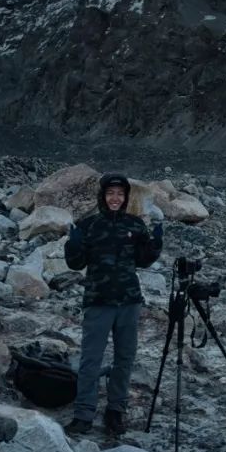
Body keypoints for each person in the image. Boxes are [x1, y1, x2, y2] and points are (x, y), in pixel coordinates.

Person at [63, 173, 162, 435]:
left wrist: (155, 245)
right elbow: (75, 264)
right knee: (91, 359)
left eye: (120, 194)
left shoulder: (135, 224)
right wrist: (71, 246)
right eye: (110, 194)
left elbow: (142, 260)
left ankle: (115, 411)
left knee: (124, 359)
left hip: (129, 301)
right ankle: (84, 414)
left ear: (126, 197)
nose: (115, 198)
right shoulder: (88, 225)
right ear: (103, 196)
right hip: (98, 301)